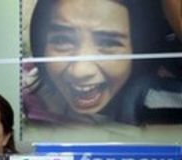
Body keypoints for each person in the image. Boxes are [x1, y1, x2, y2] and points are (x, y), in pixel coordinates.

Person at [24, 0, 181, 125]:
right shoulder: (27, 91)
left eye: (108, 44)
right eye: (62, 40)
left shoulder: (148, 99)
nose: (80, 71)